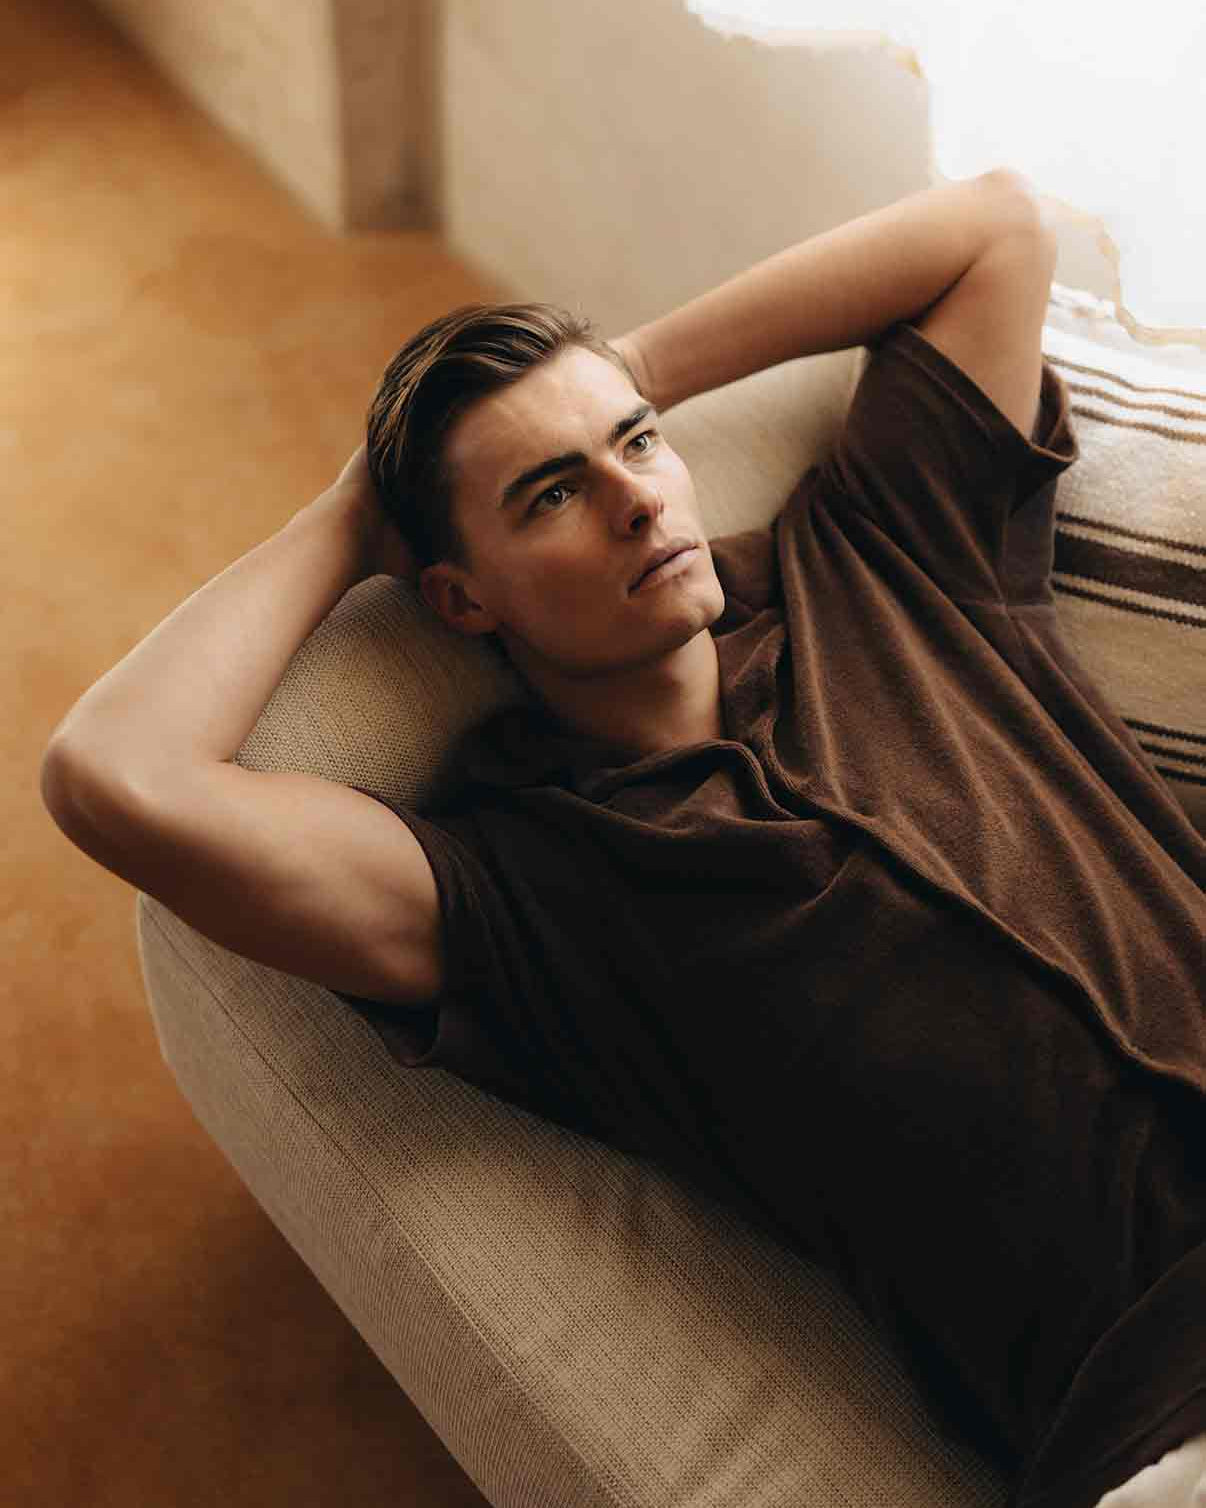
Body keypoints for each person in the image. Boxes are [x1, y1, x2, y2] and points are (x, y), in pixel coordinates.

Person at [41, 168, 1206, 1508]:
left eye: (640, 445)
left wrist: (622, 370)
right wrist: (350, 515)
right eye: (551, 495)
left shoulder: (887, 552)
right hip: (1154, 1399)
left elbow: (994, 226)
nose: (638, 501)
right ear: (459, 600)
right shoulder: (532, 893)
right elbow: (114, 776)